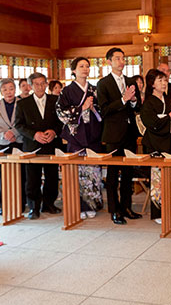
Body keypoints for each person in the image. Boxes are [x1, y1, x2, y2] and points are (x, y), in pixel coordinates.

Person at [97, 47, 142, 225]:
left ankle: (127, 207)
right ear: (109, 61)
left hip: (130, 133)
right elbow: (104, 110)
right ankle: (115, 211)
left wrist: (132, 101)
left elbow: (137, 107)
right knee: (113, 175)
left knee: (128, 174)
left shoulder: (130, 81)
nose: (121, 62)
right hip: (113, 134)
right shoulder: (103, 83)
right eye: (117, 58)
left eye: (123, 58)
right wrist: (123, 100)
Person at [56, 57, 104, 219]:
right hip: (76, 136)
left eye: (87, 66)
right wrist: (80, 108)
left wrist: (93, 108)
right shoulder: (67, 91)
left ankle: (93, 205)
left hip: (92, 134)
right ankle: (79, 205)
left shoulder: (94, 89)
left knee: (93, 172)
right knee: (78, 172)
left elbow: (101, 111)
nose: (85, 69)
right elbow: (60, 112)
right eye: (81, 66)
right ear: (74, 70)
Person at [140, 69, 171, 223]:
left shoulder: (168, 100)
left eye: (165, 80)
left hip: (169, 142)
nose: (164, 83)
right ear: (152, 84)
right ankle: (158, 212)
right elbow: (153, 124)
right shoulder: (148, 103)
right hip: (155, 143)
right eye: (160, 80)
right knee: (158, 180)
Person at [14, 72, 62, 220]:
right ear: (30, 86)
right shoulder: (23, 103)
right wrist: (34, 134)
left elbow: (62, 120)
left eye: (43, 83)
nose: (40, 87)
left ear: (47, 84)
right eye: (37, 84)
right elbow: (19, 125)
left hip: (51, 143)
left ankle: (49, 204)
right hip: (32, 144)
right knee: (32, 178)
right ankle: (33, 207)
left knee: (52, 176)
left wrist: (54, 131)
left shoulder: (56, 100)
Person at [0, 78, 26, 213]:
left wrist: (13, 132)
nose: (8, 92)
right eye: (5, 89)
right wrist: (4, 134)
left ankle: (21, 204)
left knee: (21, 175)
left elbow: (25, 122)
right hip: (1, 143)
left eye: (11, 89)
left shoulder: (23, 103)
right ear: (0, 91)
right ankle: (5, 205)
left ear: (15, 90)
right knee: (5, 176)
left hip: (20, 141)